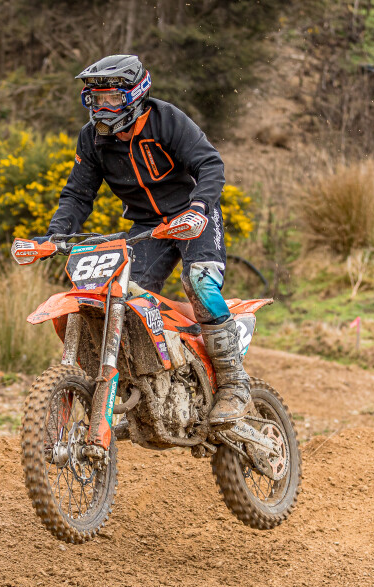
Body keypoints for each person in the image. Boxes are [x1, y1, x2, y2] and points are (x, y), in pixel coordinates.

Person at [39, 54, 249, 426]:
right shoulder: (92, 139)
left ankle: (234, 383)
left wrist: (199, 207)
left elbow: (210, 164)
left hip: (191, 216)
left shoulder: (166, 120)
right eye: (95, 99)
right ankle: (142, 389)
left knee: (199, 281)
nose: (102, 108)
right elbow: (78, 194)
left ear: (135, 95)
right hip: (148, 226)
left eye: (112, 99)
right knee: (120, 299)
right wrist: (56, 235)